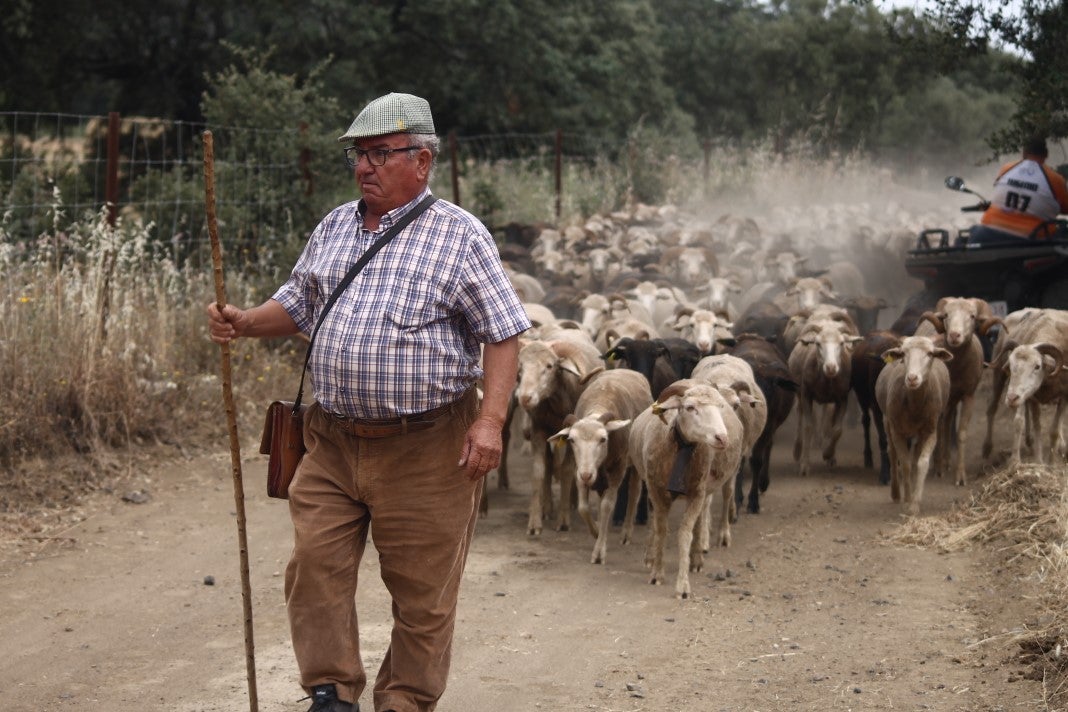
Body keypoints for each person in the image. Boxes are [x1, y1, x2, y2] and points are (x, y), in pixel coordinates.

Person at [207, 92, 531, 712]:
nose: (366, 167)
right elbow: (297, 303)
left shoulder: (460, 235)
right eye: (360, 155)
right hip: (330, 441)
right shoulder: (334, 226)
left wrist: (490, 422)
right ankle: (330, 693)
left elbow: (504, 331)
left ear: (423, 161)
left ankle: (405, 700)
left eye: (382, 154)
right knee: (314, 569)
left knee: (423, 594)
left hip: (429, 447)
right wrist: (245, 321)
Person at [967, 136, 1068, 246]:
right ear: (1046, 154)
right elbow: (1065, 208)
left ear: (1024, 152)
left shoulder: (1007, 169)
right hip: (1031, 239)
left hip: (988, 234)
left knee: (973, 231)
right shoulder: (1056, 179)